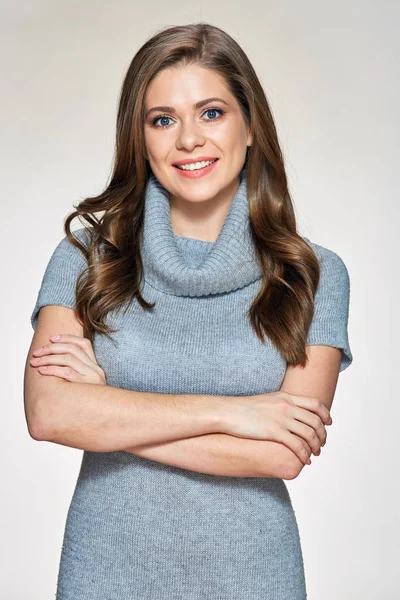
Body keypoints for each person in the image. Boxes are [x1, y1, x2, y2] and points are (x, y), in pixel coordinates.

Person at [24, 22, 353, 600]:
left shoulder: (314, 274)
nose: (189, 140)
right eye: (163, 119)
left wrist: (106, 409)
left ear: (250, 126)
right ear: (141, 136)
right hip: (108, 572)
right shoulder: (85, 257)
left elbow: (282, 452)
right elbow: (49, 413)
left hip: (253, 574)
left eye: (211, 113)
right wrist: (235, 413)